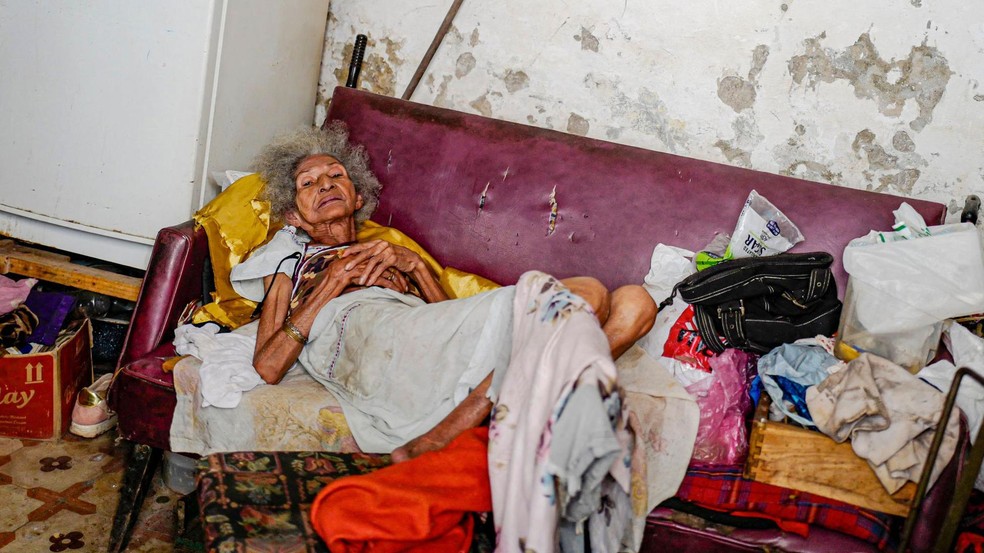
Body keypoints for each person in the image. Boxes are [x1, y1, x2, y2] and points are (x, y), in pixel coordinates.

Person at [229, 123, 656, 462]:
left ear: (358, 196)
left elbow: (453, 322)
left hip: (418, 328)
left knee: (637, 303)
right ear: (294, 216)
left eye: (335, 175)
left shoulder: (388, 249)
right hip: (361, 332)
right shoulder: (289, 264)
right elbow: (267, 365)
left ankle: (504, 408)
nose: (325, 184)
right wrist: (335, 280)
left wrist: (415, 267)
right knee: (587, 293)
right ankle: (467, 423)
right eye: (308, 183)